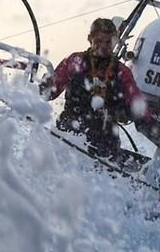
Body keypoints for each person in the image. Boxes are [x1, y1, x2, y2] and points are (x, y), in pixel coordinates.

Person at [41, 18, 153, 166]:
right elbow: (49, 94)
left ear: (115, 41)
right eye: (98, 41)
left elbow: (136, 102)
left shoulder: (121, 72)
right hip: (70, 133)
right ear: (89, 39)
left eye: (108, 42)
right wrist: (46, 85)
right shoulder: (75, 61)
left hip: (104, 142)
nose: (103, 46)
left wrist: (152, 125)